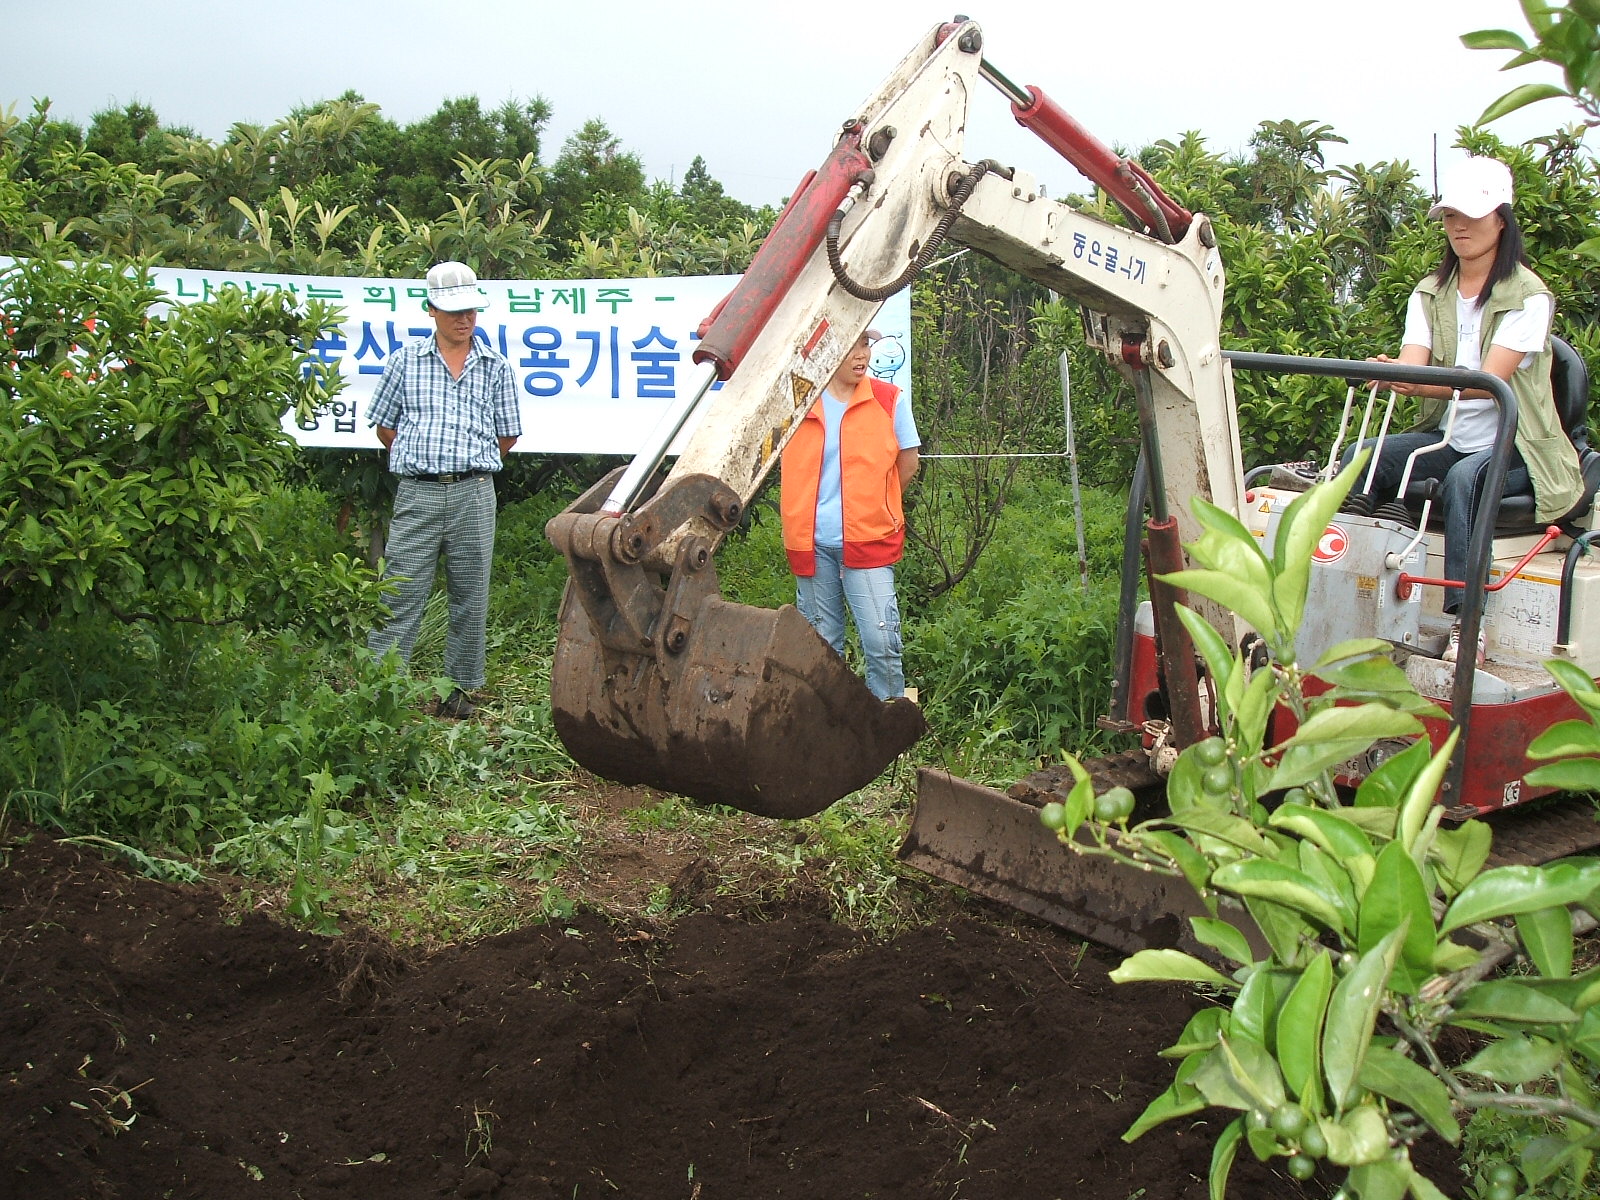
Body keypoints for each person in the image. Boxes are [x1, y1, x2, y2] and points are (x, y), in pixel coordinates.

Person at [1341, 156, 1582, 662]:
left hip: (1516, 449)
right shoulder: (1430, 293)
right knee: (1363, 456)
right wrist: (1392, 372)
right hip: (1449, 438)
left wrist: (1415, 382)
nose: (1459, 227)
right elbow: (1414, 364)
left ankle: (1466, 623)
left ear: (1501, 219)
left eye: (1471, 215)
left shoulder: (1529, 296)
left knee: (1464, 481)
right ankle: (1348, 594)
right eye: (1451, 215)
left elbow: (1488, 383)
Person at [366, 261, 521, 718]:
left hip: (474, 493)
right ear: (431, 309)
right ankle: (381, 690)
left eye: (471, 310)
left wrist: (466, 465)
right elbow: (385, 427)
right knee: (400, 592)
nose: (464, 319)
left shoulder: (495, 367)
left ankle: (460, 692)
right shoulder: (404, 362)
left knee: (471, 595)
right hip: (419, 493)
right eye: (454, 311)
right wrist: (426, 461)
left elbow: (508, 435)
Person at [780, 329, 920, 700]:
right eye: (851, 345)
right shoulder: (798, 400)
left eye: (866, 344)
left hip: (869, 539)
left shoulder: (889, 399)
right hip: (810, 541)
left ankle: (887, 721)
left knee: (882, 641)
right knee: (821, 646)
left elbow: (908, 463)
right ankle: (829, 723)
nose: (862, 354)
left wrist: (878, 503)